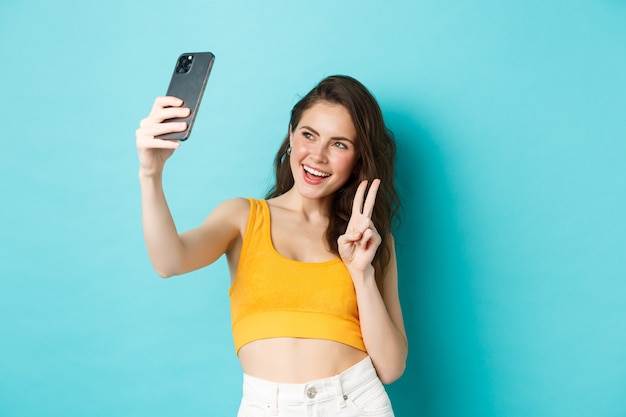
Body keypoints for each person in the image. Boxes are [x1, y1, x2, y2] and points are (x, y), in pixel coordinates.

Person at [136, 75, 408, 417]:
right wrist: (150, 173)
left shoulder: (369, 239)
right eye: (309, 135)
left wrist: (361, 274)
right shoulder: (243, 217)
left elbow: (391, 367)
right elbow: (169, 261)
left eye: (339, 144)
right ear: (292, 136)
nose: (318, 156)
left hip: (354, 401)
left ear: (358, 158)